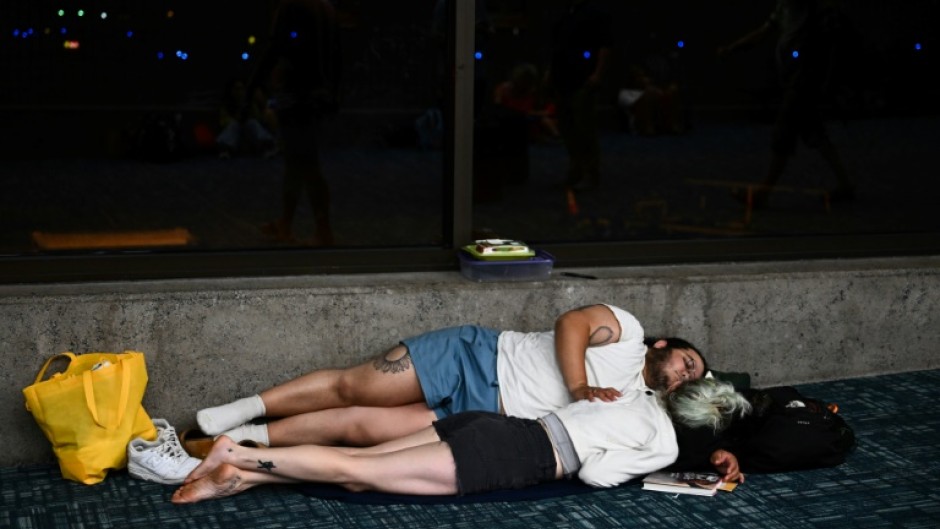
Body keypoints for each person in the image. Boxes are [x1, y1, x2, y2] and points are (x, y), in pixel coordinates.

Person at [192, 304, 709, 450]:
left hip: (480, 415)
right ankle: (247, 406)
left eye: (693, 379)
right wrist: (579, 389)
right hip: (476, 357)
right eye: (687, 362)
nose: (684, 375)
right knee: (358, 385)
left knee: (357, 425)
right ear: (665, 346)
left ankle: (245, 438)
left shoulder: (643, 404)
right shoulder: (630, 332)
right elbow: (571, 323)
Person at [172, 378, 750, 503]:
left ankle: (243, 475)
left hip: (496, 426)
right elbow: (597, 475)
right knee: (363, 474)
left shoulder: (634, 394)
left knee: (356, 467)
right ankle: (239, 453)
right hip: (516, 455)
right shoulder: (667, 447)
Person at [718, 0, 855, 207]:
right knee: (815, 133)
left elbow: (831, 42)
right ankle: (845, 185)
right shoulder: (784, 7)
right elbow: (763, 32)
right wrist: (732, 48)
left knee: (785, 130)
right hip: (793, 77)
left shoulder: (811, 8)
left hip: (804, 77)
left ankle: (763, 192)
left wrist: (826, 79)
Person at [250, 0, 341, 245]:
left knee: (304, 164)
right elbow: (336, 53)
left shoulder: (292, 6)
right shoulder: (325, 7)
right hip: (316, 94)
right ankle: (287, 224)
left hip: (296, 94)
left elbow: (275, 48)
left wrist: (253, 85)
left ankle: (322, 231)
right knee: (300, 162)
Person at [547, 0, 613, 191]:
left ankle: (591, 173)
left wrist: (598, 73)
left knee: (584, 128)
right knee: (568, 127)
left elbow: (605, 45)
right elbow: (556, 49)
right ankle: (576, 170)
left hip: (583, 78)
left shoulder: (595, 12)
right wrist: (550, 74)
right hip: (563, 78)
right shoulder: (564, 15)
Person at [216, 78, 278, 159]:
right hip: (235, 136)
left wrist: (248, 111)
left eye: (241, 89)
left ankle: (266, 146)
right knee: (234, 125)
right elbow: (223, 121)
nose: (239, 92)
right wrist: (237, 120)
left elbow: (257, 118)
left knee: (251, 122)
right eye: (236, 89)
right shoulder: (226, 105)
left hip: (249, 134)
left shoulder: (249, 103)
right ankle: (225, 149)